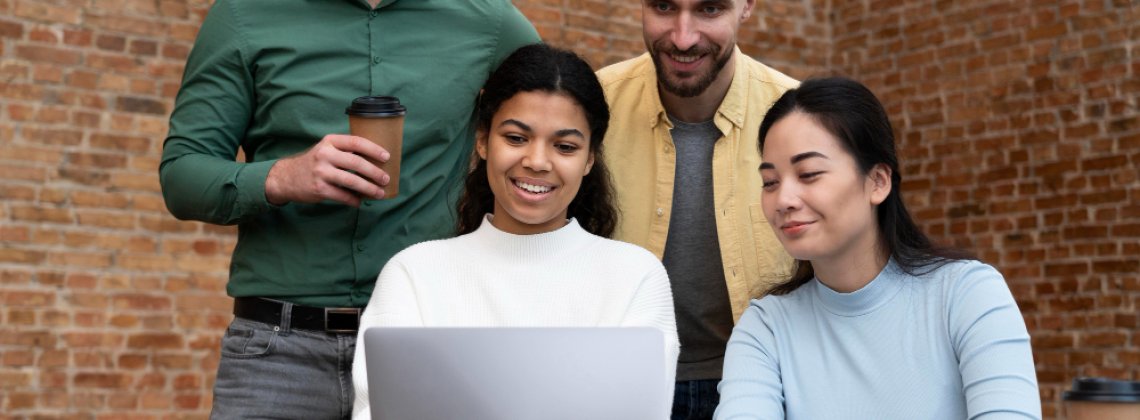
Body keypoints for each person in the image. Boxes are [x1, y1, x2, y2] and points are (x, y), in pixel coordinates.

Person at [158, 0, 539, 417]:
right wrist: (283, 178)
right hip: (277, 349)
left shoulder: (488, 20)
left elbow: (558, 122)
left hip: (423, 341)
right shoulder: (243, 14)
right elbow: (182, 176)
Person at [351, 43, 681, 419]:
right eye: (516, 138)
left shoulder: (635, 277)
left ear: (590, 158)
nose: (537, 161)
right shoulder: (413, 273)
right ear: (482, 141)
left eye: (565, 146)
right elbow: (376, 412)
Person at [714, 77, 1042, 419]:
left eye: (809, 173)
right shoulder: (765, 328)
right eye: (770, 182)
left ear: (878, 182)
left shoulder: (967, 296)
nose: (783, 200)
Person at [595, 1, 797, 417]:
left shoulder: (798, 116)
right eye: (664, 6)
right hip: (613, 384)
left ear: (746, 7)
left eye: (709, 9)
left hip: (764, 386)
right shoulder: (593, 108)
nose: (683, 37)